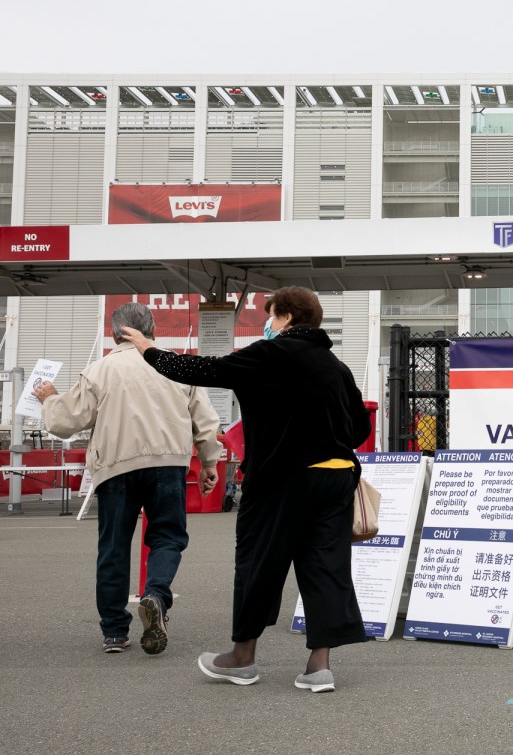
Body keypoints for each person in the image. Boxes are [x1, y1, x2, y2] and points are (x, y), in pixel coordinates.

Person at [122, 286, 371, 693]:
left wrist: (149, 349)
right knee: (326, 566)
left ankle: (242, 658)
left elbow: (203, 371)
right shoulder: (335, 366)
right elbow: (360, 428)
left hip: (282, 479)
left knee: (260, 562)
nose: (268, 325)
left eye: (271, 317)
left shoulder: (270, 354)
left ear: (287, 318)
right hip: (336, 478)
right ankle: (319, 667)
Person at [33, 302, 221, 656]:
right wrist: (209, 462)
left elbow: (65, 422)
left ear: (114, 332)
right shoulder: (175, 364)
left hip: (116, 467)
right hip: (168, 464)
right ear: (153, 328)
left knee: (114, 545)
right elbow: (206, 422)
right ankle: (155, 595)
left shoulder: (99, 370)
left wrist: (49, 398)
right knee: (167, 537)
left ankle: (115, 632)